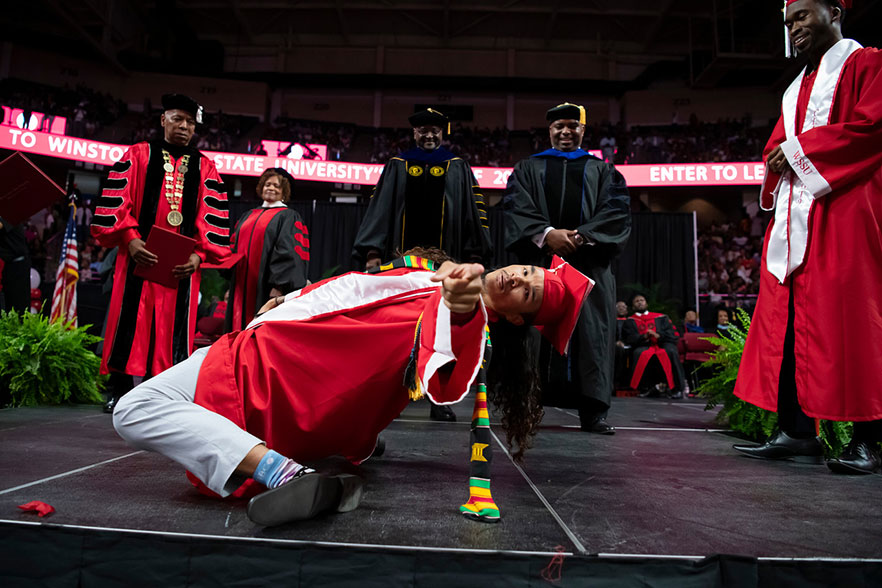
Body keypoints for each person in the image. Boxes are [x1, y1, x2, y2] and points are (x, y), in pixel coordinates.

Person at [112, 251, 592, 527]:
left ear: (513, 317)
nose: (517, 278)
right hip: (258, 345)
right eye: (527, 272)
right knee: (167, 409)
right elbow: (352, 290)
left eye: (527, 292)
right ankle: (314, 457)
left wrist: (461, 307)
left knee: (134, 409)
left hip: (271, 373)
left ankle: (281, 470)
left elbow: (446, 369)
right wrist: (292, 300)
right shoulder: (429, 276)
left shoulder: (463, 317)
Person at [733, 0, 882, 474]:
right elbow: (778, 143)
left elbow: (870, 129)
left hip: (847, 212)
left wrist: (796, 152)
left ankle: (870, 441)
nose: (793, 27)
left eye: (801, 16)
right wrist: (782, 155)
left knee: (856, 324)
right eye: (788, 22)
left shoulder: (868, 63)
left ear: (835, 10)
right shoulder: (796, 87)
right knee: (794, 320)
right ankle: (798, 433)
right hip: (798, 222)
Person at [91, 93, 230, 412]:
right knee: (128, 320)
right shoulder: (139, 154)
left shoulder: (205, 166)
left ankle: (162, 391)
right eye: (178, 119)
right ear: (163, 120)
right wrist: (130, 239)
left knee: (174, 328)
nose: (184, 127)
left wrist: (198, 257)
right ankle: (119, 388)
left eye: (191, 122)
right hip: (136, 256)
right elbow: (118, 200)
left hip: (181, 264)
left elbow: (212, 216)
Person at [353, 108, 493, 422]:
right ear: (414, 134)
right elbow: (379, 209)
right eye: (423, 131)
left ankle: (438, 398)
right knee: (397, 325)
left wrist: (474, 254)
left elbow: (474, 211)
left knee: (443, 327)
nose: (429, 135)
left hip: (447, 262)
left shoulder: (457, 167)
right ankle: (390, 396)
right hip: (399, 262)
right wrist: (372, 252)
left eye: (435, 130)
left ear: (443, 134)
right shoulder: (397, 164)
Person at [503, 102, 631, 434]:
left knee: (592, 335)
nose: (565, 131)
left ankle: (593, 411)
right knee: (533, 333)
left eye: (572, 126)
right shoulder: (528, 169)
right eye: (559, 126)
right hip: (539, 264)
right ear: (550, 131)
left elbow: (616, 212)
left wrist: (579, 237)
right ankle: (527, 405)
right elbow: (516, 205)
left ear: (583, 131)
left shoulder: (603, 171)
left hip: (588, 266)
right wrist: (547, 235)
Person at [226, 168, 309, 331]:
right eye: (267, 184)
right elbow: (233, 248)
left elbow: (289, 252)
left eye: (276, 186)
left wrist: (280, 286)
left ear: (284, 192)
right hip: (240, 288)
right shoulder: (248, 215)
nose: (271, 188)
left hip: (268, 289)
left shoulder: (288, 216)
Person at [622, 294, 687, 399]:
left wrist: (658, 335)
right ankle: (645, 388)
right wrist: (644, 336)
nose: (639, 302)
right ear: (633, 307)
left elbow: (671, 334)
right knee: (640, 353)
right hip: (643, 344)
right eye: (636, 301)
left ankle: (676, 389)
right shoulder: (630, 321)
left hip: (662, 343)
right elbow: (629, 338)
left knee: (670, 351)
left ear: (646, 303)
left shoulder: (661, 317)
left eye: (642, 300)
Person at [0, 216, 30, 313]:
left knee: (19, 307)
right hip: (8, 265)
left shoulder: (9, 214)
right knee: (9, 306)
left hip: (18, 265)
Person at [614, 300, 631, 390]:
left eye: (623, 307)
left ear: (627, 310)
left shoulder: (631, 321)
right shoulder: (611, 321)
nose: (621, 308)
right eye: (618, 307)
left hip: (628, 345)